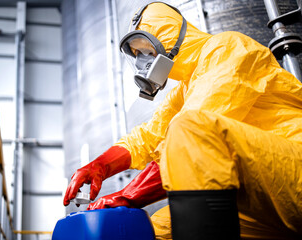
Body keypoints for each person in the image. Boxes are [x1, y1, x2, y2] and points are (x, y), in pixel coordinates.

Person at [63, 2, 302, 240]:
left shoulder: (228, 47)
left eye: (145, 50)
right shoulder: (185, 89)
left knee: (190, 130)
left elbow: (190, 140)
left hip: (293, 171)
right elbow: (146, 137)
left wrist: (126, 197)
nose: (141, 62)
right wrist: (99, 166)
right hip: (257, 197)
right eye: (136, 55)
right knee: (158, 228)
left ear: (169, 38)